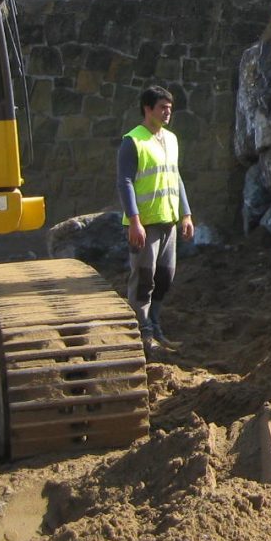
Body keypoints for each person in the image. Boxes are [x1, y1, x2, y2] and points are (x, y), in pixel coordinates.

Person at [118, 84, 193, 353]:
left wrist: (185, 213)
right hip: (146, 224)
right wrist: (134, 220)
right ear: (147, 109)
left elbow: (175, 176)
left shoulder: (170, 139)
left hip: (168, 221)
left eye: (170, 108)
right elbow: (124, 182)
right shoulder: (133, 141)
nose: (167, 113)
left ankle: (155, 325)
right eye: (162, 108)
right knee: (143, 279)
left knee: (164, 277)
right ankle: (143, 332)